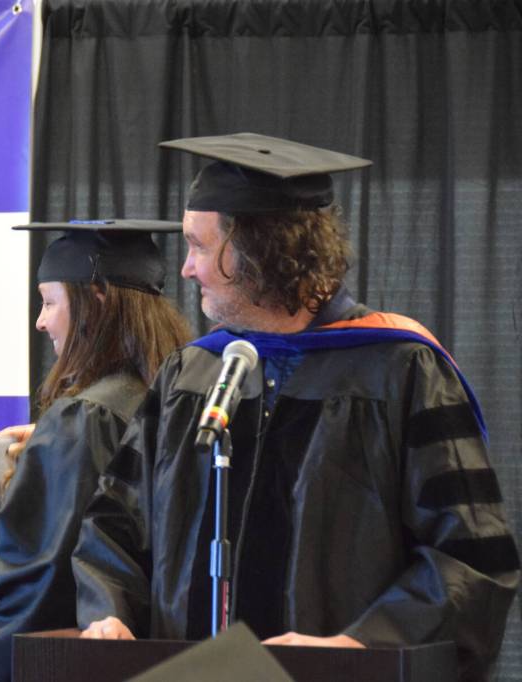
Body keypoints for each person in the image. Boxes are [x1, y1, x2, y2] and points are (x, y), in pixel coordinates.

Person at [73, 133, 520, 681]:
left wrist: (360, 642)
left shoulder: (400, 370)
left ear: (256, 250)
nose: (185, 269)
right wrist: (110, 614)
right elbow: (114, 524)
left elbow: (471, 559)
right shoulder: (190, 376)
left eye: (198, 245)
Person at [0, 220, 193, 681]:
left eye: (50, 301)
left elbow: (44, 590)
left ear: (95, 298)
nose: (40, 321)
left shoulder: (85, 418)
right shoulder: (176, 396)